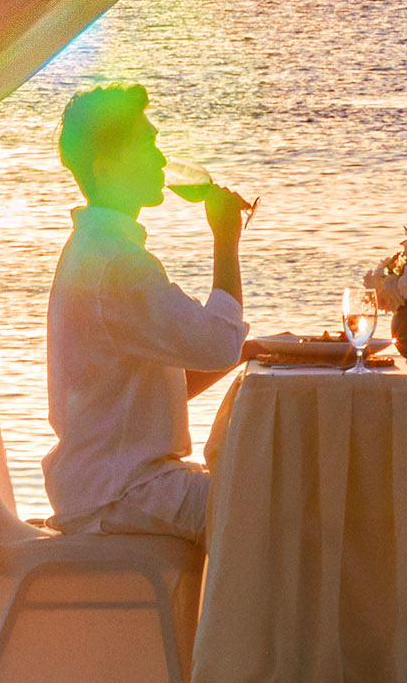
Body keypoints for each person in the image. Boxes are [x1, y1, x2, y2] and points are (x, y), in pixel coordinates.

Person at [43, 81, 252, 539]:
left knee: (268, 487)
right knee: (271, 503)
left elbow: (133, 388)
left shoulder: (95, 248)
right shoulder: (119, 265)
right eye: (147, 144)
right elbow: (217, 343)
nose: (160, 159)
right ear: (106, 166)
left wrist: (250, 351)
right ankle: (254, 613)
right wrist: (225, 240)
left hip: (104, 484)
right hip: (123, 492)